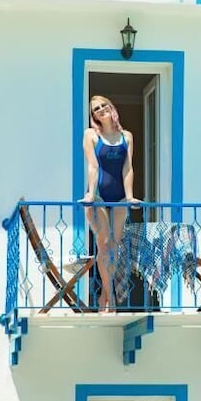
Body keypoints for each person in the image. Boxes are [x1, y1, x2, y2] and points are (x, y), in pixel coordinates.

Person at [79, 96, 139, 312]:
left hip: (120, 197)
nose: (101, 109)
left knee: (114, 246)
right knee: (104, 244)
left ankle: (105, 295)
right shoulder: (91, 135)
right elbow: (93, 166)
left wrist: (130, 197)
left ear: (111, 107)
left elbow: (127, 168)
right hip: (99, 197)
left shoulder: (127, 136)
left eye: (104, 105)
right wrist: (90, 194)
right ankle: (110, 296)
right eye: (96, 108)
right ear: (93, 115)